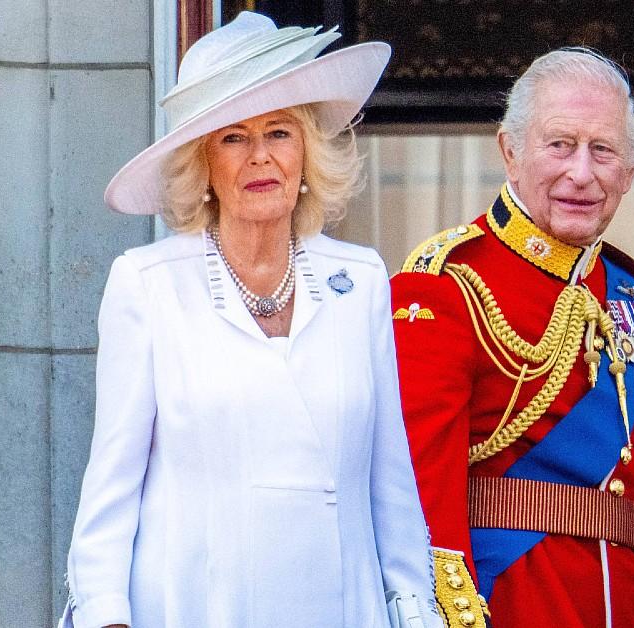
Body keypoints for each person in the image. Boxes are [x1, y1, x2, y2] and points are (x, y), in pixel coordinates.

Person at [61, 12, 440, 628]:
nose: (261, 156)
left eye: (279, 132)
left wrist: (414, 610)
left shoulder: (360, 281)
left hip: (342, 608)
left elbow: (389, 480)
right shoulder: (149, 285)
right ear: (203, 164)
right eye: (233, 138)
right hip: (198, 608)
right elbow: (111, 488)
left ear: (307, 151)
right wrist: (106, 615)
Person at [390, 47, 634, 628]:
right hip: (508, 604)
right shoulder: (447, 285)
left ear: (630, 169)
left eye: (603, 150)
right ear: (510, 151)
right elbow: (417, 494)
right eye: (560, 144)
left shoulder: (633, 296)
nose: (581, 173)